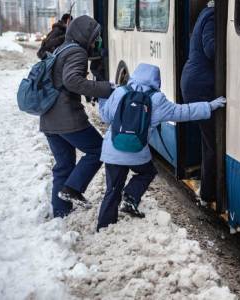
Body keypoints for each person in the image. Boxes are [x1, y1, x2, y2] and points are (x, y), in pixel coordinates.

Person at [96, 63, 226, 231]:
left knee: (112, 189)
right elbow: (183, 112)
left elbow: (105, 117)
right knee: (147, 172)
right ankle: (130, 197)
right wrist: (209, 106)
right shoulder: (156, 99)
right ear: (156, 80)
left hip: (113, 151)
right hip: (136, 152)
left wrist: (102, 98)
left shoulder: (120, 92)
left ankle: (104, 227)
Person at [40, 15, 114, 218]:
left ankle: (61, 213)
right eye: (95, 37)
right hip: (66, 118)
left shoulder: (62, 48)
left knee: (63, 165)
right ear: (85, 35)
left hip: (49, 119)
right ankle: (72, 189)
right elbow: (72, 80)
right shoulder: (77, 52)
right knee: (98, 149)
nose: (96, 41)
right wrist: (107, 88)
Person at [180, 0, 216, 206]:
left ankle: (208, 189)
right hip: (200, 85)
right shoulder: (212, 16)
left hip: (197, 82)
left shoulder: (206, 13)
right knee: (212, 140)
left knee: (208, 137)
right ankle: (208, 194)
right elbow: (211, 48)